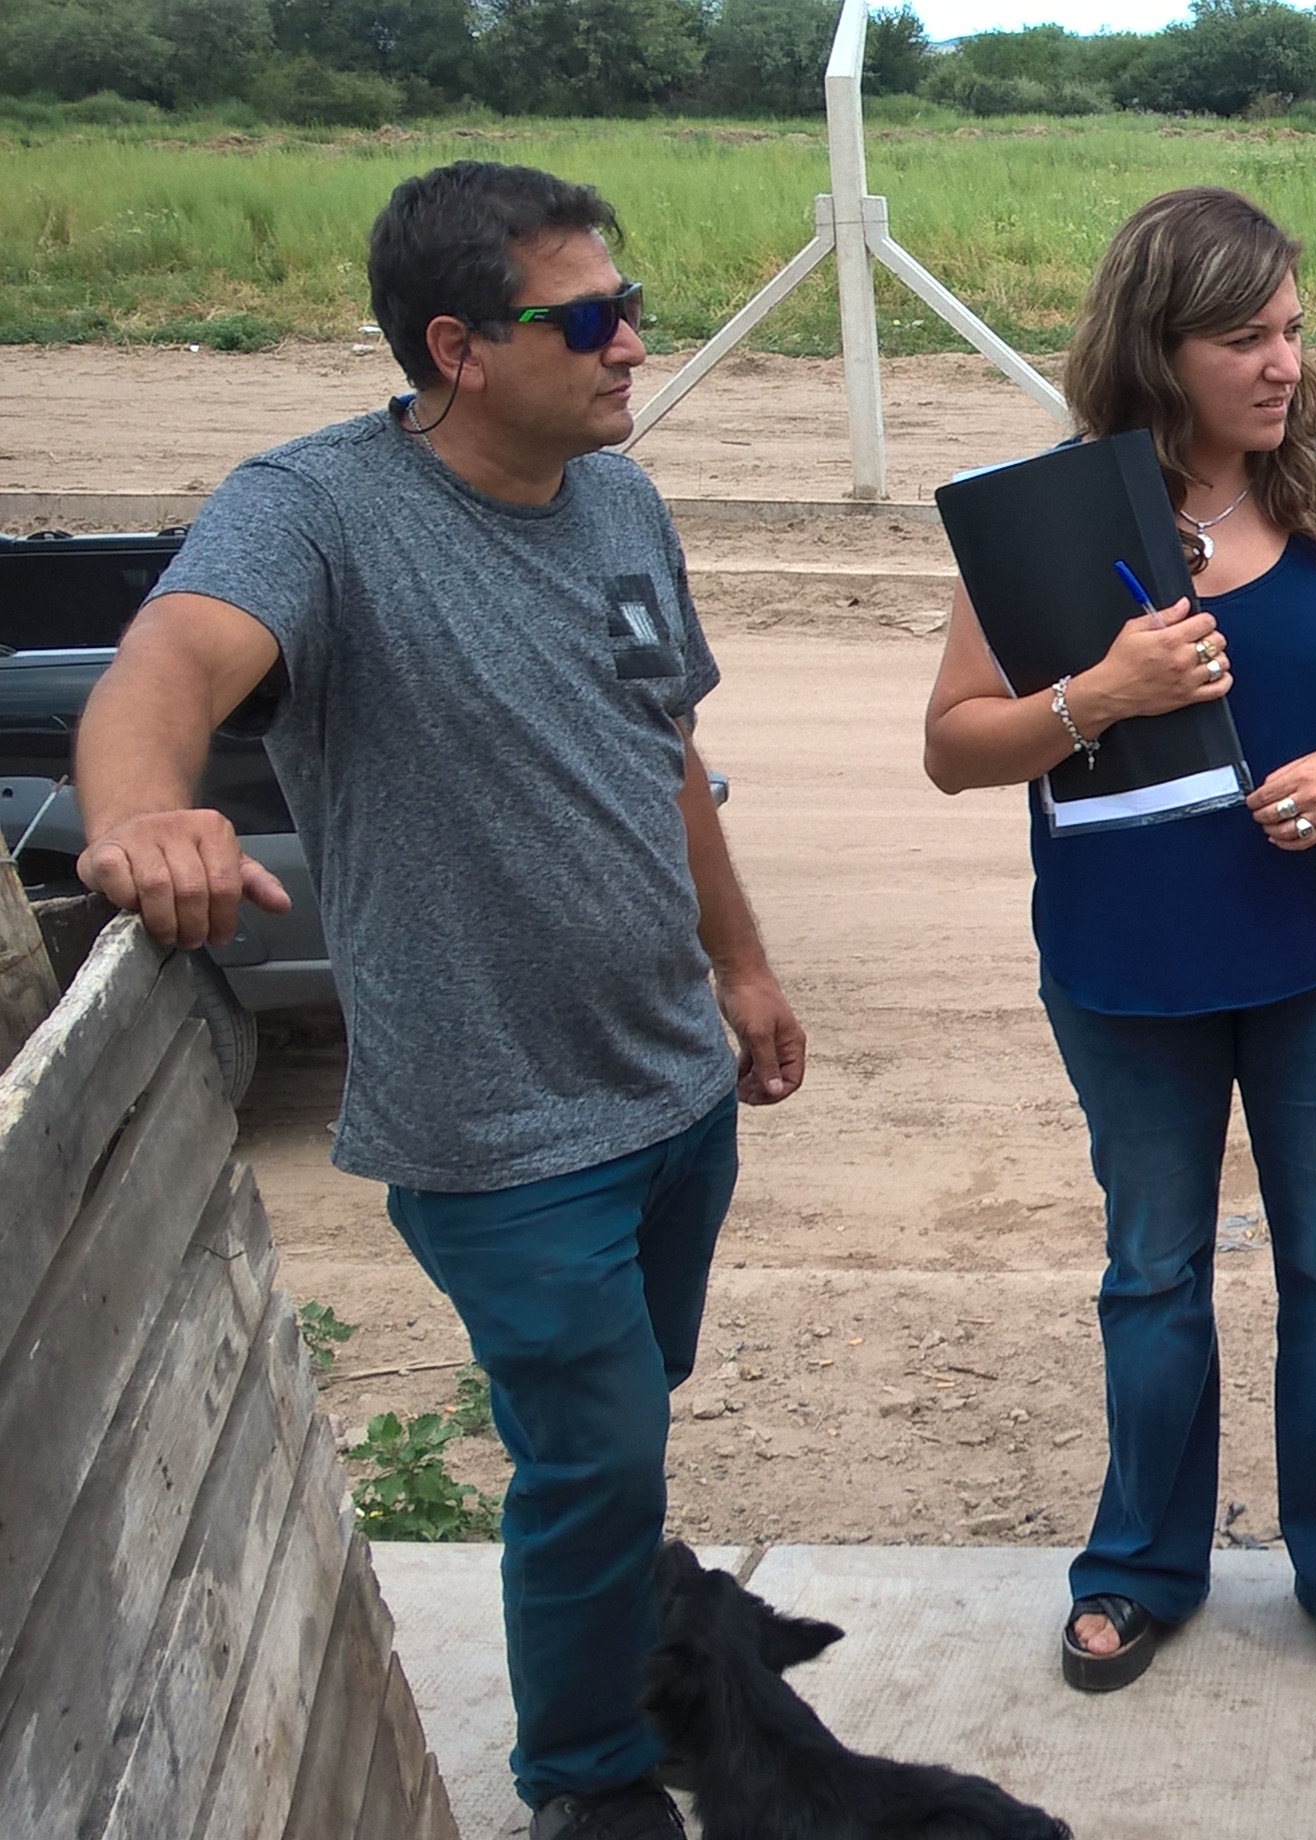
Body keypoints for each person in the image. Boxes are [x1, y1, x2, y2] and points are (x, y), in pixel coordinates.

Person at [73, 162, 805, 1840]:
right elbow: (166, 667)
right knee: (594, 1458)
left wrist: (742, 966)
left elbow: (665, 755)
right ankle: (589, 1777)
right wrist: (140, 816)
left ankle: (621, 1626)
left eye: (631, 307)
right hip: (496, 1126)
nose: (636, 345)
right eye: (596, 318)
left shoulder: (620, 501)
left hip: (673, 1088)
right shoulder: (317, 510)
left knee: (626, 1415)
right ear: (460, 347)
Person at [919, 186, 1316, 1698]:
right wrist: (1104, 693)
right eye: (1243, 336)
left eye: (1292, 329)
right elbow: (956, 748)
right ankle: (1144, 1563)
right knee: (1152, 1271)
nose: (1282, 364)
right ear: (1159, 344)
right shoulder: (1054, 520)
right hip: (1128, 962)